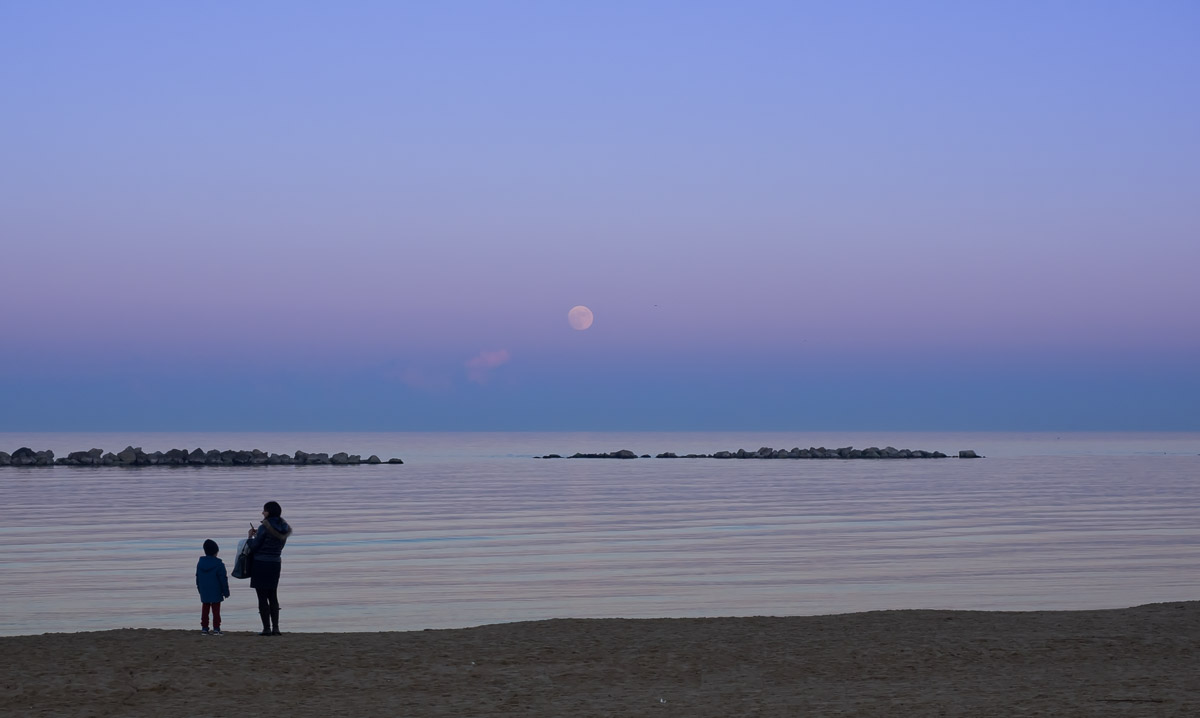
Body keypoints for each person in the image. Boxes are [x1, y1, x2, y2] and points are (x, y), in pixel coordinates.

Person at [247, 500, 292, 636]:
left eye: (264, 510)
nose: (262, 513)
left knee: (262, 596)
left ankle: (266, 628)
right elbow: (278, 545)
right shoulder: (284, 528)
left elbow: (254, 547)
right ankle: (276, 628)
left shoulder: (264, 527)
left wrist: (250, 537)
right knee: (273, 595)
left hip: (261, 563)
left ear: (269, 512)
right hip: (275, 563)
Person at [196, 539, 230, 635]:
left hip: (204, 590)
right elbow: (223, 579)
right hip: (216, 590)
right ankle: (216, 628)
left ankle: (204, 628)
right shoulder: (219, 564)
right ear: (216, 552)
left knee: (205, 609)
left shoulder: (200, 563)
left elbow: (198, 577)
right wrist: (226, 592)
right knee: (216, 610)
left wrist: (199, 589)